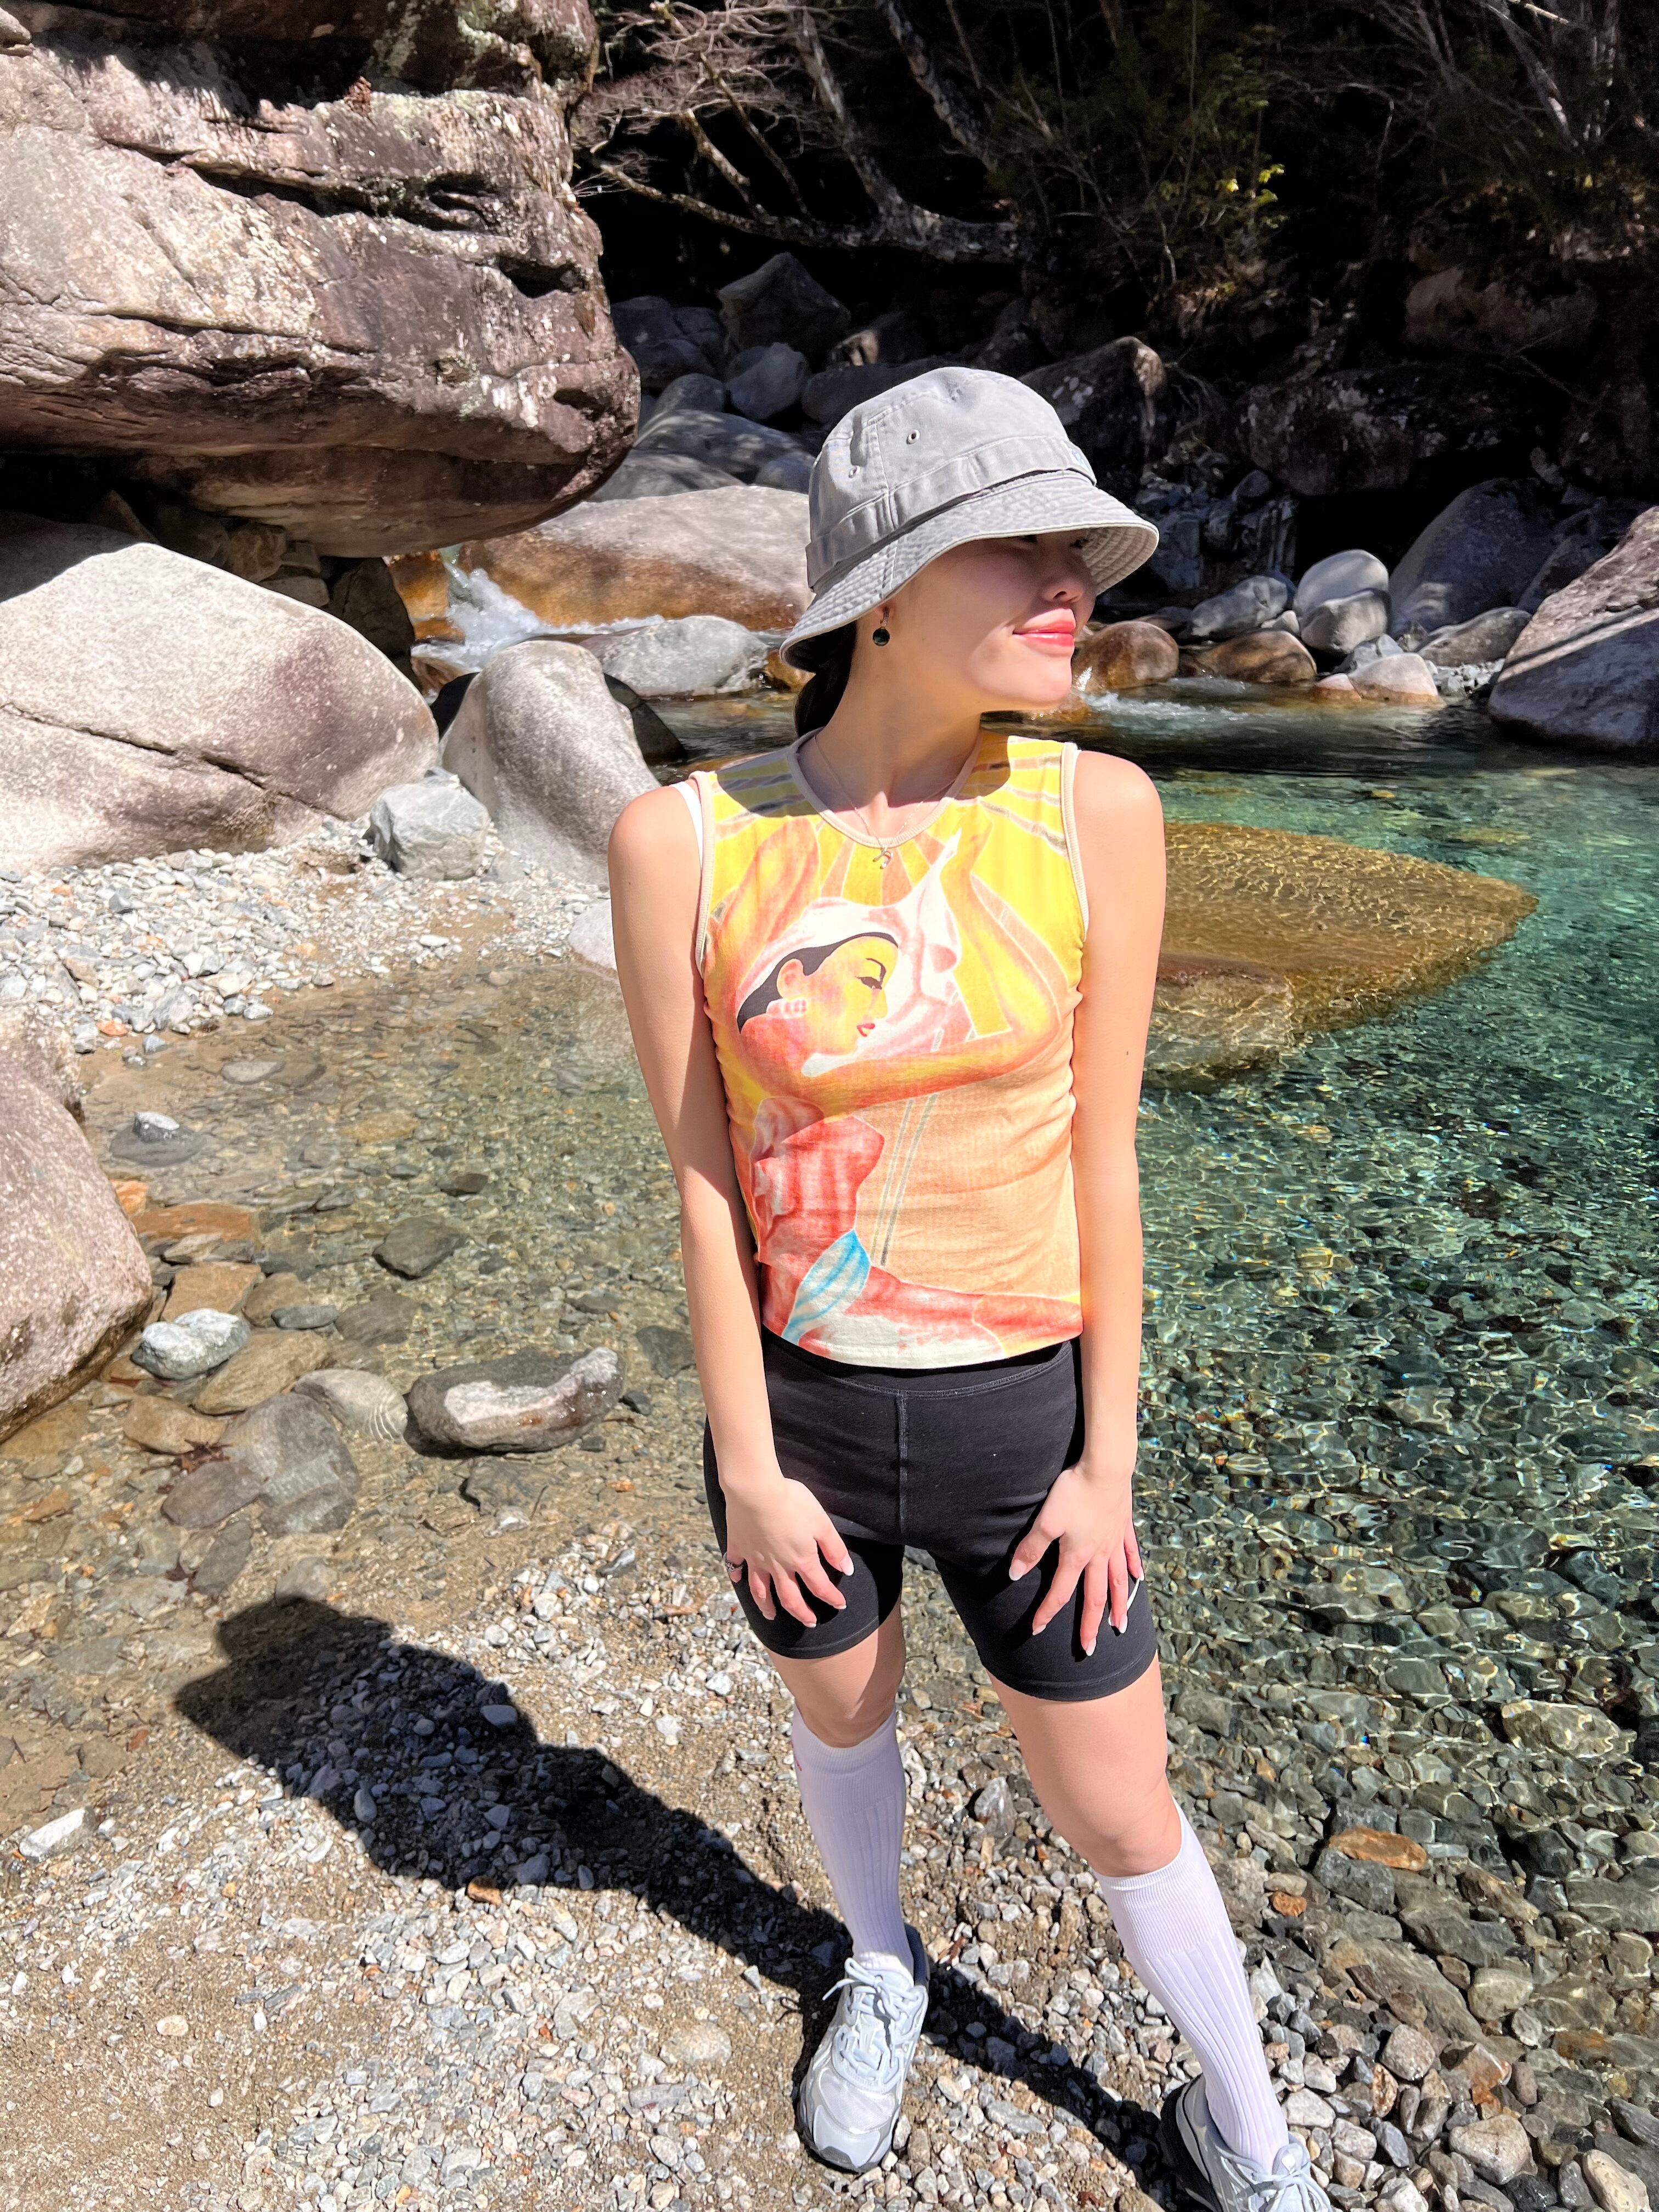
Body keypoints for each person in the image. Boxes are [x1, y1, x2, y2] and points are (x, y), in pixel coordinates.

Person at [609, 366, 1329, 2212]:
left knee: (1118, 1803)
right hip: (804, 1420)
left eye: (1078, 547)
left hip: (1031, 1425)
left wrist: (1109, 1467)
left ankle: (1250, 2137)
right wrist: (751, 1470)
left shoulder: (1099, 814)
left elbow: (1107, 1161)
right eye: (1015, 548)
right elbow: (705, 1182)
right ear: (879, 595)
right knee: (842, 1715)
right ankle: (880, 1963)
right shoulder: (689, 843)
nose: (1071, 585)